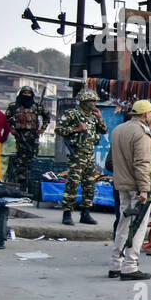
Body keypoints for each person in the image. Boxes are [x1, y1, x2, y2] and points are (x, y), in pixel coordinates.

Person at [108, 99, 151, 281]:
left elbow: (112, 161)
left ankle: (116, 264)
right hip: (138, 187)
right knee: (137, 227)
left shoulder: (118, 130)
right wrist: (144, 190)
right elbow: (142, 164)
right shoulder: (141, 133)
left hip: (122, 185)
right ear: (144, 114)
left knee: (123, 223)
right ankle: (130, 266)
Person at [57, 89, 106, 226]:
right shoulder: (73, 114)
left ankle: (85, 213)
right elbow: (59, 129)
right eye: (92, 101)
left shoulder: (93, 116)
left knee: (90, 185)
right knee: (72, 184)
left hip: (90, 155)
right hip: (77, 155)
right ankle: (67, 213)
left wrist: (100, 118)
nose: (94, 103)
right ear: (84, 101)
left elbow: (104, 130)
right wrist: (76, 130)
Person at [4, 86, 50, 192]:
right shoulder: (13, 106)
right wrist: (12, 129)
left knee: (33, 161)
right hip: (20, 137)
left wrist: (43, 128)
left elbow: (47, 116)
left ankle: (32, 186)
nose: (26, 95)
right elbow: (6, 119)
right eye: (24, 93)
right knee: (21, 162)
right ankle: (22, 186)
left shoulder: (37, 107)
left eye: (28, 93)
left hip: (33, 137)